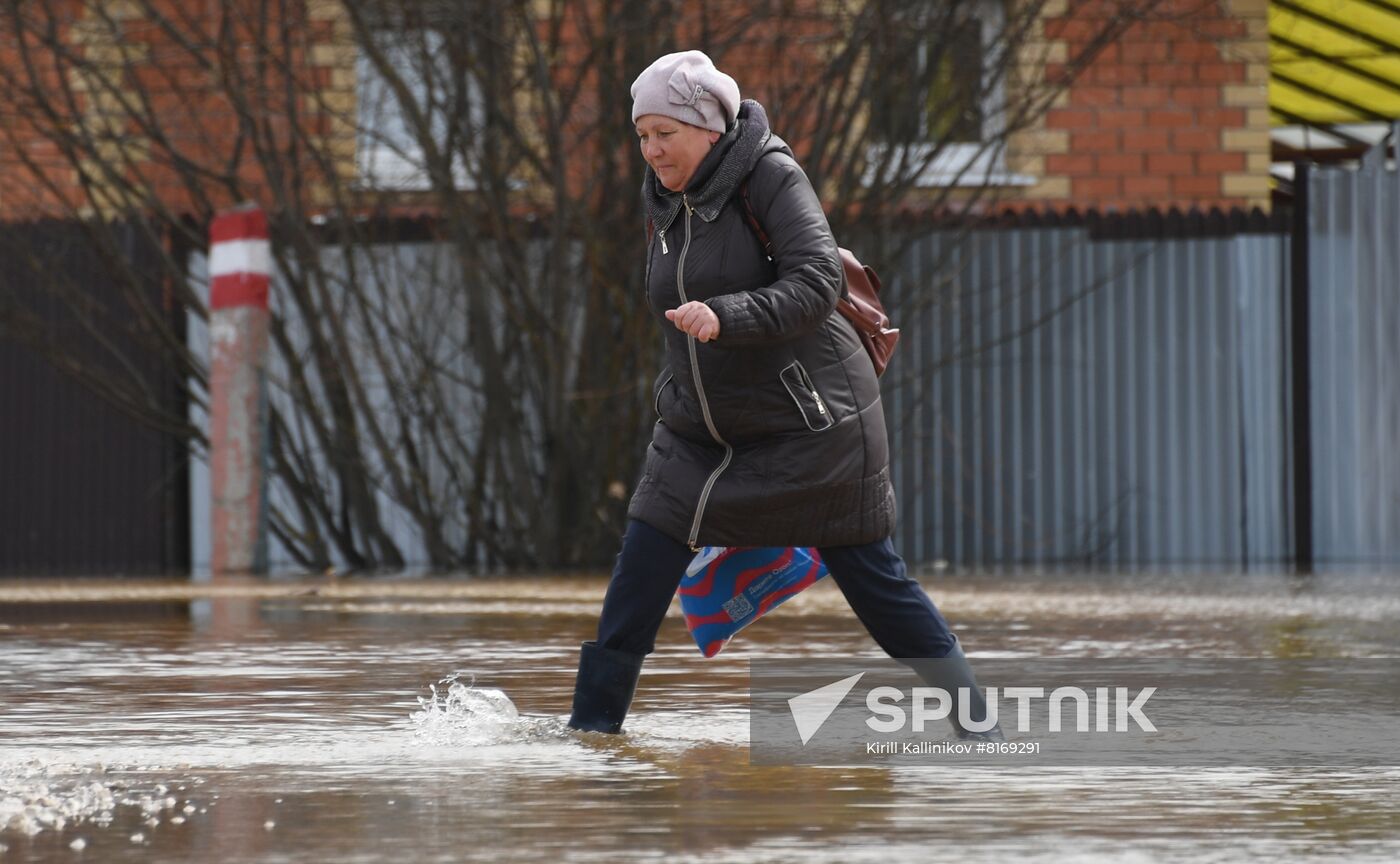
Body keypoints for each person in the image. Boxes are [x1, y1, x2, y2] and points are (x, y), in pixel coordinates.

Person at [567, 50, 1002, 742]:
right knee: (637, 579)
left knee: (876, 585)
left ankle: (980, 724)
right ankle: (589, 740)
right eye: (641, 135)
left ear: (707, 127)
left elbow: (815, 283)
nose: (650, 151)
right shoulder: (664, 203)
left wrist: (726, 316)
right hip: (698, 433)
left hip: (813, 425)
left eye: (664, 134)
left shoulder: (769, 174)